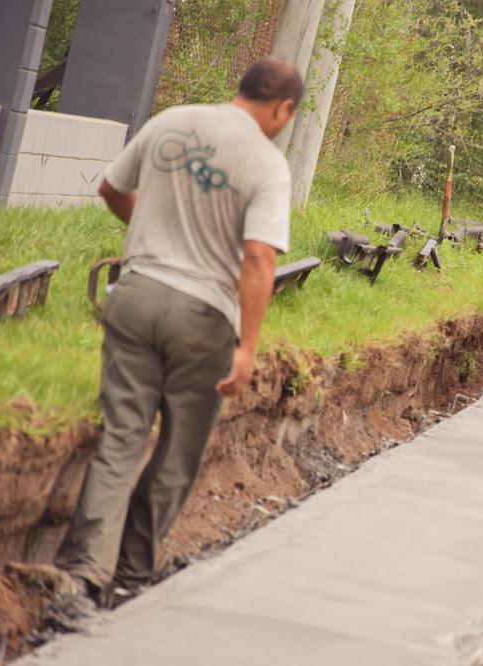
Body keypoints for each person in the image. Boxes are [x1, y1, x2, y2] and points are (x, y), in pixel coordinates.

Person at [55, 57, 304, 607]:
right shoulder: (267, 164)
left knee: (122, 436)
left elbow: (112, 189)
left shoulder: (172, 121)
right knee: (177, 449)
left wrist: (149, 230)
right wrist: (247, 347)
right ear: (283, 108)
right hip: (204, 316)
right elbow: (259, 258)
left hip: (136, 295)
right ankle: (131, 576)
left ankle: (81, 572)